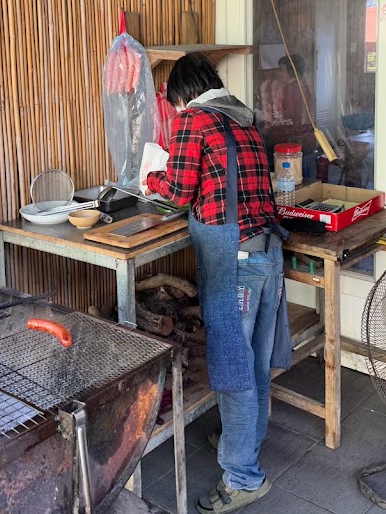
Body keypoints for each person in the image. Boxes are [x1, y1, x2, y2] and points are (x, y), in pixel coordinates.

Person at [143, 53, 289, 513]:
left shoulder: (193, 121)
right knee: (255, 362)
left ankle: (243, 477)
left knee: (232, 368)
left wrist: (149, 178)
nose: (174, 112)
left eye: (173, 105)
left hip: (235, 258)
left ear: (182, 96)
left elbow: (177, 191)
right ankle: (242, 443)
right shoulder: (242, 118)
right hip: (268, 255)